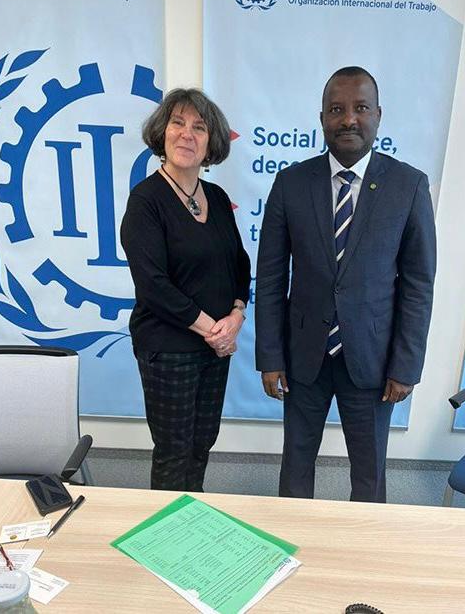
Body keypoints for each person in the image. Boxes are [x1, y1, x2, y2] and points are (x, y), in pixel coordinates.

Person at [255, 67, 436, 502]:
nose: (349, 119)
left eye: (360, 108)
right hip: (303, 358)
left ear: (378, 115)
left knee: (369, 472)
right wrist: (270, 357)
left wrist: (405, 365)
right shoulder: (291, 183)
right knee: (296, 464)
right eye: (336, 109)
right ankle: (292, 536)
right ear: (322, 118)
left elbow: (418, 284)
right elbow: (272, 277)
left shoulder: (409, 185)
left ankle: (367, 540)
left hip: (374, 361)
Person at [121, 88, 251, 491]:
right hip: (169, 349)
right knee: (174, 452)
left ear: (211, 142)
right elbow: (153, 285)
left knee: (201, 445)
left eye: (199, 127)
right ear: (162, 132)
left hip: (215, 348)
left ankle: (193, 519)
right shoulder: (146, 200)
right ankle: (168, 530)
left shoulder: (217, 197)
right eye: (177, 123)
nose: (186, 134)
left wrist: (237, 314)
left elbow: (239, 263)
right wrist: (214, 330)